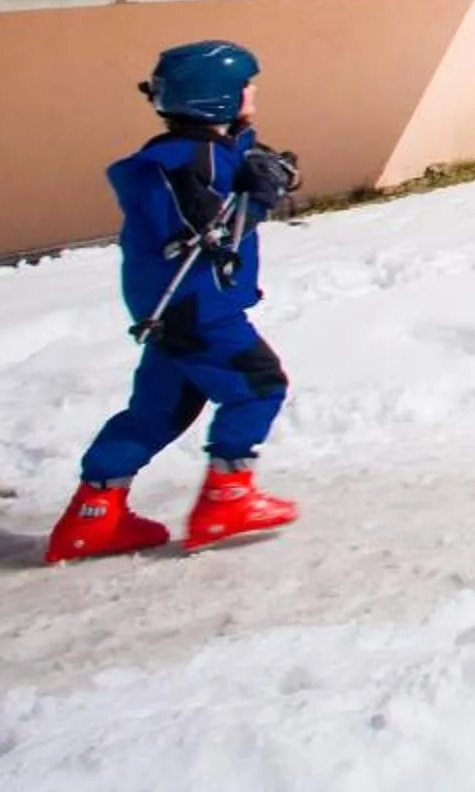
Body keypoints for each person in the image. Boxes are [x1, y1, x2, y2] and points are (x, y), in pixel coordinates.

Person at [46, 41, 303, 563]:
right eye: (245, 86)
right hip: (198, 307)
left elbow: (243, 170)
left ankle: (93, 514)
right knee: (258, 385)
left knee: (158, 411)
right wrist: (258, 197)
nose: (253, 92)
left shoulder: (202, 150)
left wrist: (274, 172)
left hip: (174, 310)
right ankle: (227, 499)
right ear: (217, 97)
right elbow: (209, 231)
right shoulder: (183, 163)